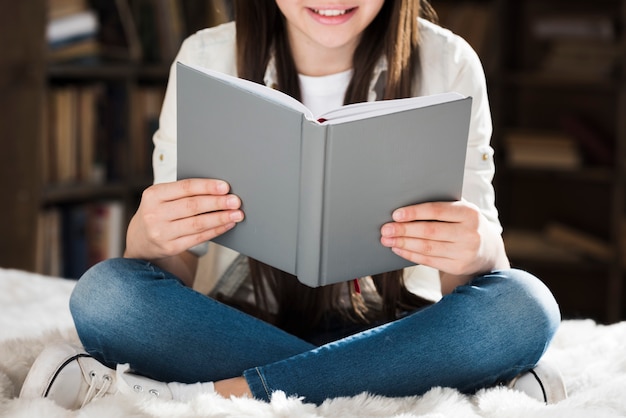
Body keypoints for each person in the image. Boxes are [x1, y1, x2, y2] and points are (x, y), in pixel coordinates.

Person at [20, 0, 567, 409]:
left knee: (524, 308)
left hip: (395, 323)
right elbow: (172, 272)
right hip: (239, 324)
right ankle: (400, 381)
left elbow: (474, 287)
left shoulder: (449, 64)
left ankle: (219, 394)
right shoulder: (206, 58)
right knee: (105, 296)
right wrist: (147, 240)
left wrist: (476, 253)